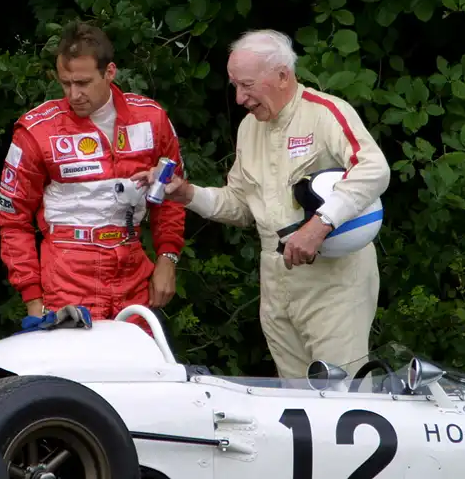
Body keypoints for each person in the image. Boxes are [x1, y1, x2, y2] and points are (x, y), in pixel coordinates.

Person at [133, 29, 391, 377]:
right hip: (275, 281)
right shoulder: (249, 129)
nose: (240, 98)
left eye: (247, 85)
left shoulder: (326, 113)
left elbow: (375, 169)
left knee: (340, 395)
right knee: (296, 398)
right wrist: (187, 194)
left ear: (283, 75)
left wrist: (321, 224)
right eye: (235, 86)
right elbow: (239, 205)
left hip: (334, 282)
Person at [0, 21, 186, 333]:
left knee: (137, 373)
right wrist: (32, 296)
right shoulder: (36, 130)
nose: (74, 94)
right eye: (66, 83)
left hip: (132, 270)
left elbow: (172, 198)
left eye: (83, 83)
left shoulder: (152, 119)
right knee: (74, 378)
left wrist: (167, 259)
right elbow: (12, 220)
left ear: (109, 72)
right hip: (68, 275)